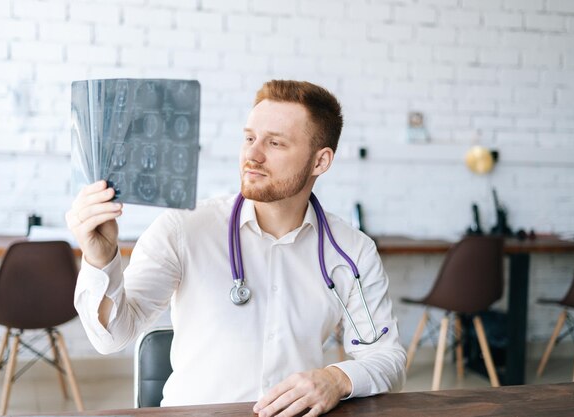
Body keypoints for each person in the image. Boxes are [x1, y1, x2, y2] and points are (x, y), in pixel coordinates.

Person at [67, 80, 406, 417]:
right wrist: (100, 258)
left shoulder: (351, 251)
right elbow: (111, 337)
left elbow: (386, 357)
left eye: (275, 143)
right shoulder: (184, 228)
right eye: (249, 138)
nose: (253, 155)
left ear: (320, 162)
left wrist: (336, 378)